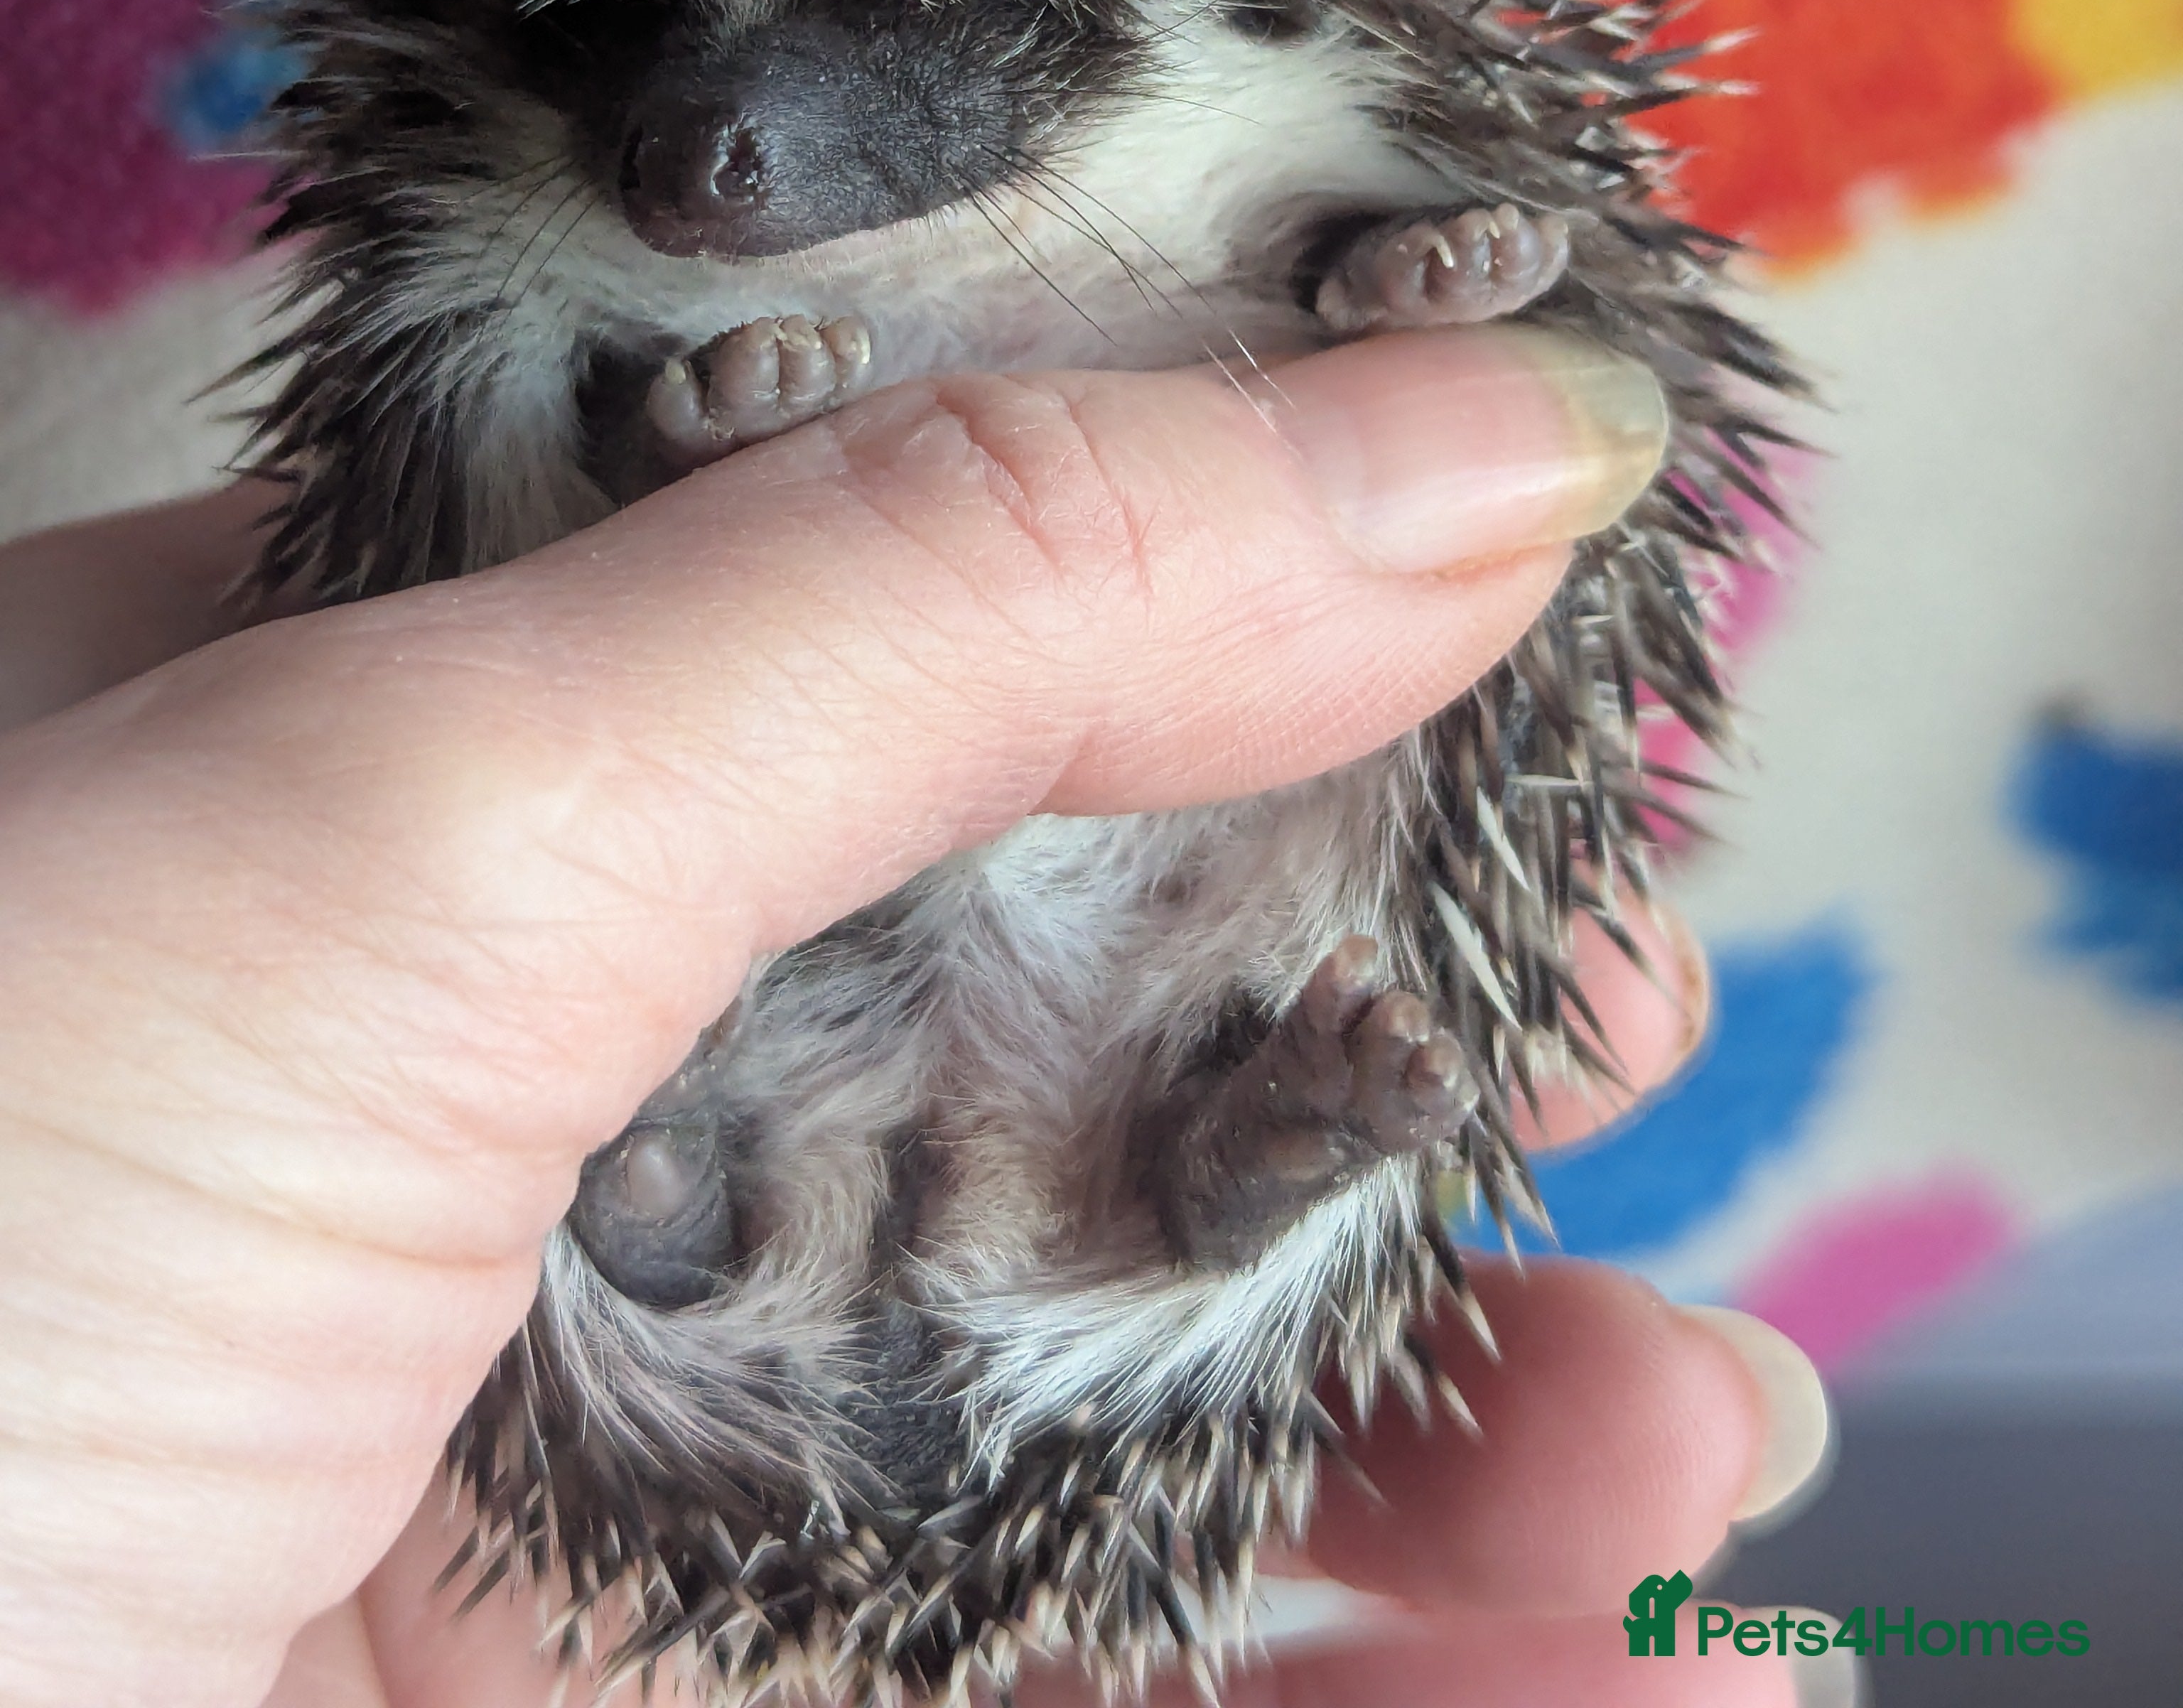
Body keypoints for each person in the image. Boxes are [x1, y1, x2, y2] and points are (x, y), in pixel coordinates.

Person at [0, 325, 1829, 1707]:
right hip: (1003, 1124)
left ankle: (733, 1207)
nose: (715, 164)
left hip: (856, 1111)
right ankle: (1169, 1192)